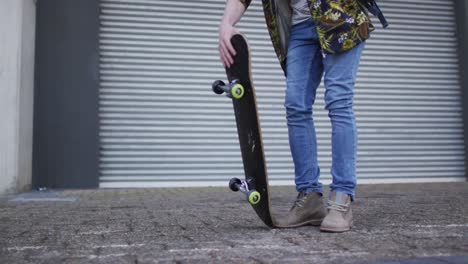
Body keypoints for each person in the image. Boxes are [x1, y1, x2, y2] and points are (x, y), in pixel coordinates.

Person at [219, 0, 376, 232]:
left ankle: (342, 199)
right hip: (301, 26)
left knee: (339, 101)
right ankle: (309, 198)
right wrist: (227, 24)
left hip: (340, 16)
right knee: (296, 106)